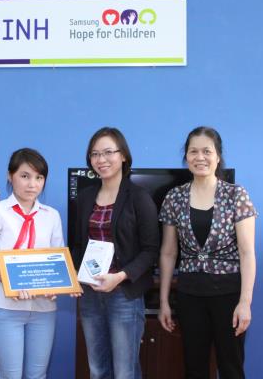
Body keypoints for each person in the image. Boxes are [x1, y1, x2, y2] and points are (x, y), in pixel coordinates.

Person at [158, 126, 257, 379]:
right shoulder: (174, 197)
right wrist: (164, 301)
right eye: (193, 151)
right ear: (186, 157)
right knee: (194, 368)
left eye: (206, 151)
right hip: (190, 295)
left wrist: (245, 303)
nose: (199, 157)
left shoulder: (236, 195)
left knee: (231, 368)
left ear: (218, 156)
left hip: (229, 295)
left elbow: (247, 253)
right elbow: (168, 253)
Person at [71, 127, 160, 379]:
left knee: (124, 372)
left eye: (108, 152)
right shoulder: (85, 197)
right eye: (95, 154)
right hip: (90, 293)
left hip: (124, 294)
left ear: (123, 156)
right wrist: (75, 274)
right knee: (97, 369)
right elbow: (78, 245)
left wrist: (120, 276)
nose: (101, 159)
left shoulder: (139, 197)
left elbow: (151, 250)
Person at [0, 148, 64, 379]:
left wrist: (56, 285)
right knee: (10, 375)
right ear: (10, 176)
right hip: (7, 306)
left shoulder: (51, 215)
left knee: (38, 375)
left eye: (39, 177)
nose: (32, 184)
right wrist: (14, 283)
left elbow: (57, 260)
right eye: (25, 176)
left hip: (44, 308)